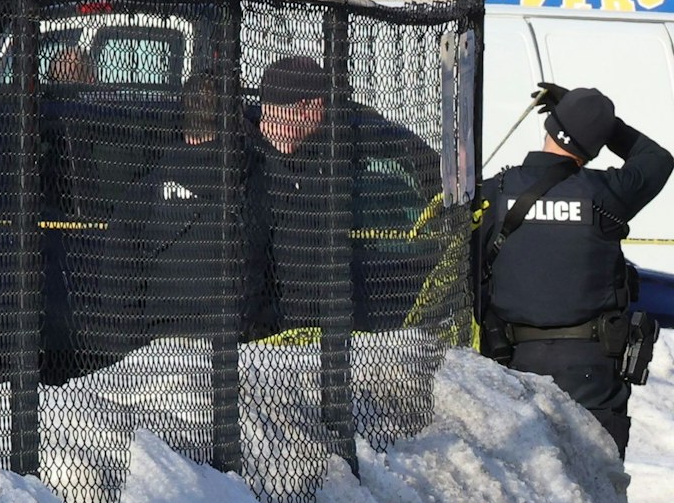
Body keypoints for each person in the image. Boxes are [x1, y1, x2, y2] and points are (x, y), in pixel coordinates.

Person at [476, 83, 672, 456]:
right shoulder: (605, 194)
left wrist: (571, 113)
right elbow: (658, 159)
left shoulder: (495, 191)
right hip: (591, 374)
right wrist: (607, 127)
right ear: (593, 147)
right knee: (595, 484)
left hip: (511, 364)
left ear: (550, 126)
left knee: (522, 483)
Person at [250, 54, 440, 328]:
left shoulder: (349, 132)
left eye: (274, 118)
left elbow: (420, 159)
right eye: (266, 116)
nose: (267, 127)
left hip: (344, 304)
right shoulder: (246, 146)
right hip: (274, 315)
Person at [126, 70, 279, 345]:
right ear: (236, 118)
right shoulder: (260, 183)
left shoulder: (147, 190)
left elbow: (119, 280)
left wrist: (133, 347)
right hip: (240, 342)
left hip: (162, 347)